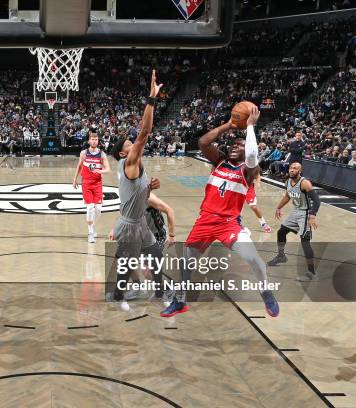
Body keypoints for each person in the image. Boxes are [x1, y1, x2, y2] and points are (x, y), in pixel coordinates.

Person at [161, 106, 279, 318]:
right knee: (187, 262)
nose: (235, 146)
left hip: (228, 223)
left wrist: (250, 127)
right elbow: (203, 142)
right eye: (234, 144)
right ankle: (180, 301)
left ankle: (265, 291)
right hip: (205, 220)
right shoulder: (220, 161)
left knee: (253, 259)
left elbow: (252, 155)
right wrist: (228, 125)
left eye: (240, 145)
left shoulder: (248, 170)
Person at [108, 69, 163, 312]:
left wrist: (147, 189)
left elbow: (136, 194)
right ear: (123, 153)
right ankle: (117, 295)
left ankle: (161, 291)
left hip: (139, 221)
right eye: (129, 144)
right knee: (128, 263)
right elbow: (145, 132)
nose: (133, 142)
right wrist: (151, 98)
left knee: (155, 254)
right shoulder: (129, 162)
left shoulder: (134, 167)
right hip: (131, 224)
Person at [268, 162, 320, 281]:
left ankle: (312, 273)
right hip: (295, 211)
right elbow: (288, 196)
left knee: (304, 241)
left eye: (295, 168)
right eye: (291, 168)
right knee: (281, 232)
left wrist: (312, 215)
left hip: (305, 213)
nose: (292, 170)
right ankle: (281, 256)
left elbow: (317, 201)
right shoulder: (288, 182)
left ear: (299, 171)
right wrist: (279, 207)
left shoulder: (304, 183)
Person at [72, 131, 110, 243]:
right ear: (89, 141)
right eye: (92, 139)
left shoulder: (102, 154)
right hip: (86, 183)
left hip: (97, 183)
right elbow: (79, 166)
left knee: (98, 209)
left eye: (96, 139)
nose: (94, 141)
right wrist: (75, 179)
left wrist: (101, 170)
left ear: (98, 141)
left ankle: (92, 226)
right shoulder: (83, 153)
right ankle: (90, 233)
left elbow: (108, 169)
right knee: (90, 207)